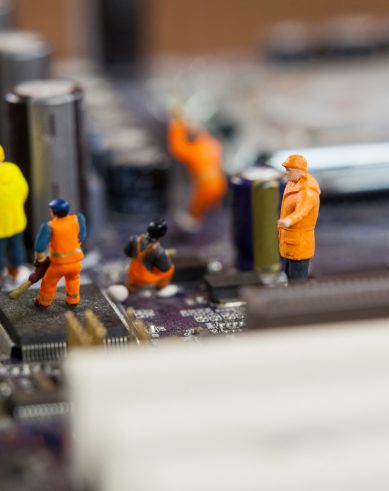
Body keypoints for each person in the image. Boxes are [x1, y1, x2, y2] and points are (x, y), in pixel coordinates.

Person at [168, 112, 227, 232]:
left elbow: (177, 148)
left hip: (205, 186)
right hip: (220, 185)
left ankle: (192, 230)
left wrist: (176, 127)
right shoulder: (212, 144)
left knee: (194, 213)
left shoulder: (195, 151)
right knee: (211, 213)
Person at [34, 199, 87, 308]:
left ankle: (43, 303)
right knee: (73, 280)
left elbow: (40, 247)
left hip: (59, 265)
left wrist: (41, 260)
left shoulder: (50, 226)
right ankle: (73, 301)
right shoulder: (76, 220)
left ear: (53, 212)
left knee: (48, 282)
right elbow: (82, 236)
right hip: (76, 263)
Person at [277, 154, 320, 281]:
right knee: (289, 276)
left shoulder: (307, 192)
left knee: (297, 280)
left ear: (299, 171)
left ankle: (298, 300)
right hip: (289, 241)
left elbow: (302, 211)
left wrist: (289, 220)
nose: (286, 173)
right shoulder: (293, 183)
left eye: (288, 170)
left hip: (299, 242)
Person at [0, 145, 29, 289]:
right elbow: (24, 189)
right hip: (16, 219)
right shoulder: (13, 169)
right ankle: (15, 272)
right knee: (16, 247)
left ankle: (1, 279)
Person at [124, 218, 176, 295]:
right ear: (162, 233)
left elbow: (127, 252)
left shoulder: (136, 239)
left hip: (131, 272)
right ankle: (161, 287)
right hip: (144, 278)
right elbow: (165, 267)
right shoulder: (158, 250)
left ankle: (131, 284)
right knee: (171, 269)